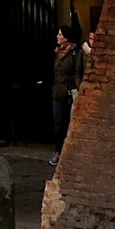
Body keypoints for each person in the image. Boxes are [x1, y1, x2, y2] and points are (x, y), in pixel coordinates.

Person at [50, 25, 82, 164]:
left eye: (60, 34)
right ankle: (58, 151)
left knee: (70, 123)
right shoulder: (57, 53)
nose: (57, 37)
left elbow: (77, 72)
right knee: (58, 123)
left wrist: (76, 89)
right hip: (58, 92)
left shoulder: (75, 53)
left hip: (69, 92)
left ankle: (70, 152)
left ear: (66, 37)